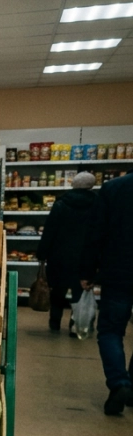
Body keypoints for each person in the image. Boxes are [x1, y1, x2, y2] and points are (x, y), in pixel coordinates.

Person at [81, 172, 133, 415]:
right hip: (119, 271)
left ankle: (119, 383)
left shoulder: (113, 189)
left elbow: (94, 235)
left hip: (118, 271)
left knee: (111, 330)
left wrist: (88, 272)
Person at [38, 172, 99, 335]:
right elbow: (100, 233)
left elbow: (49, 231)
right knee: (79, 291)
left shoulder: (61, 204)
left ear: (74, 184)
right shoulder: (97, 205)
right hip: (85, 257)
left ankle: (55, 322)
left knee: (58, 290)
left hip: (59, 256)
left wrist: (42, 254)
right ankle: (75, 324)